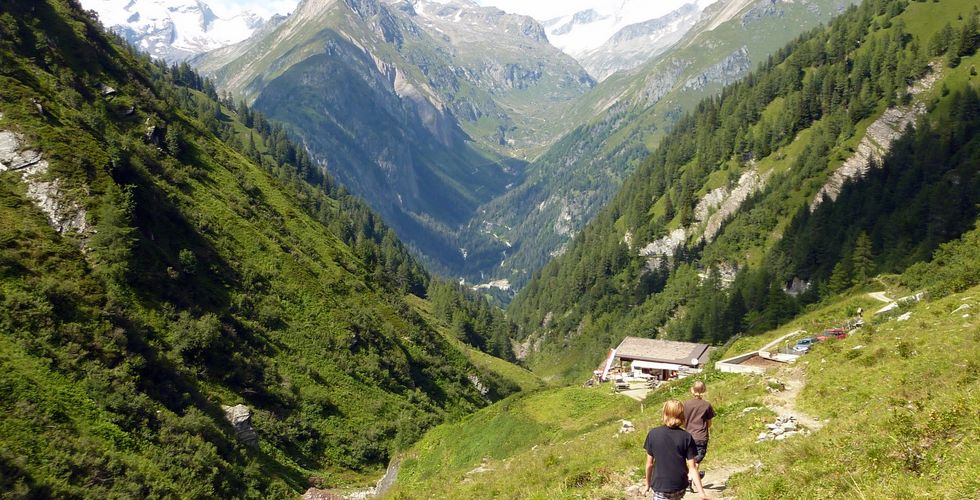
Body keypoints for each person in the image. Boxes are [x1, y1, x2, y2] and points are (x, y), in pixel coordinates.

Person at [643, 400, 709, 500]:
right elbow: (692, 468)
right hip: (680, 485)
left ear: (664, 414)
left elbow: (649, 464)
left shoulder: (653, 434)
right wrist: (701, 493)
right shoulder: (687, 437)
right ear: (682, 416)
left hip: (660, 485)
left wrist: (647, 484)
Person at [683, 381, 716, 485]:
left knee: (690, 458)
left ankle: (694, 475)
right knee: (697, 460)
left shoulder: (686, 404)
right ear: (704, 390)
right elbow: (709, 423)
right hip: (701, 436)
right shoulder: (706, 405)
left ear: (692, 390)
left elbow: (683, 421)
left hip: (688, 435)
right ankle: (690, 477)